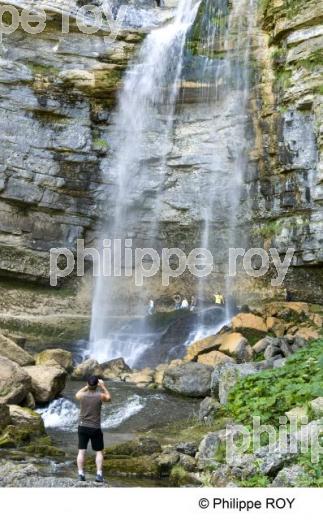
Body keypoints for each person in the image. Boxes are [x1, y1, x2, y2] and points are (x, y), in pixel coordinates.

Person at [75, 376, 111, 483]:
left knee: (81, 452)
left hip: (82, 427)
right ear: (97, 385)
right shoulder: (100, 396)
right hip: (95, 428)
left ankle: (81, 474)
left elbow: (77, 394)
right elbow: (109, 398)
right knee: (99, 452)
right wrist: (103, 386)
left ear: (87, 384)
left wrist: (87, 386)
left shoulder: (82, 395)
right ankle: (99, 475)